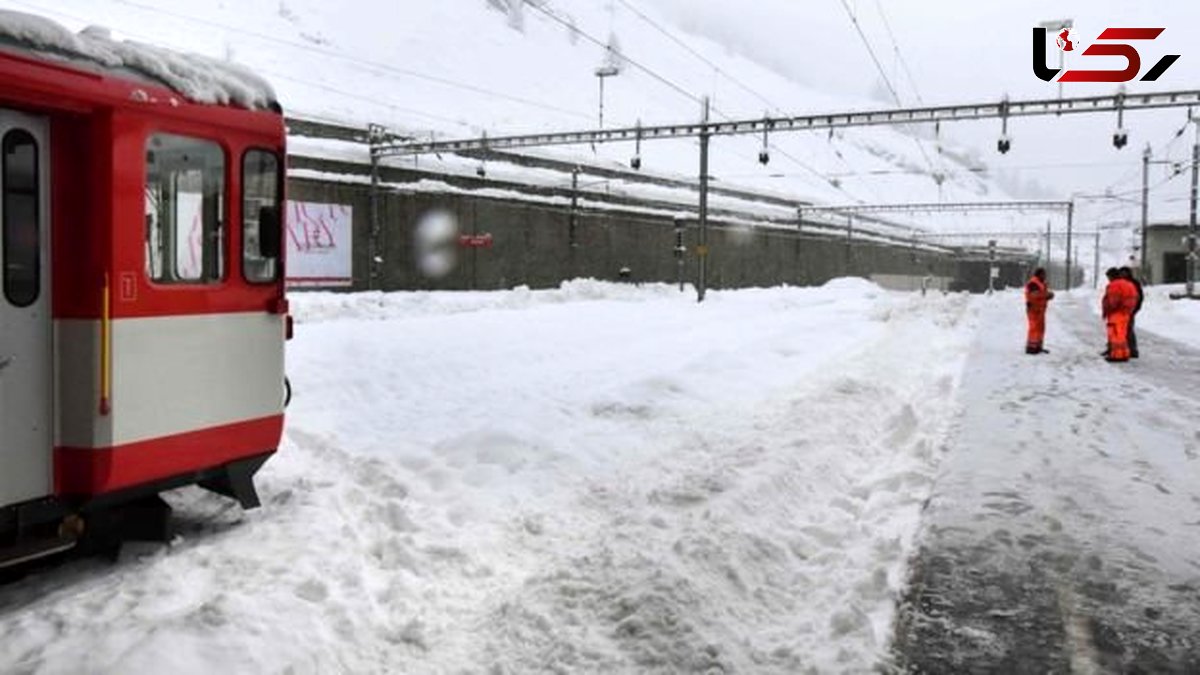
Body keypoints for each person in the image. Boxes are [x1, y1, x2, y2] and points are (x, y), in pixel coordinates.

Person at [1102, 267, 1138, 362]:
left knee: (1116, 335)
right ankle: (1124, 353)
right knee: (1122, 335)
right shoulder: (1129, 284)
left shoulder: (1114, 285)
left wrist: (1108, 309)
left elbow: (1113, 301)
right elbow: (1135, 297)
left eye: (1108, 277)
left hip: (1116, 313)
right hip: (1126, 313)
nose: (1108, 280)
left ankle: (1117, 355)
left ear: (1111, 276)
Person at [1024, 267, 1054, 354]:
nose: (1045, 276)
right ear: (1039, 274)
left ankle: (1038, 346)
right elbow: (1034, 295)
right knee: (1034, 328)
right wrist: (1047, 295)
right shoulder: (1033, 283)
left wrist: (1048, 296)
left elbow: (1041, 295)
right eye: (1043, 274)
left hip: (1040, 310)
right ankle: (1031, 348)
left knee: (1040, 328)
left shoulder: (1041, 283)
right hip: (1033, 309)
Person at [1119, 266, 1144, 358]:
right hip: (1119, 311)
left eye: (1124, 273)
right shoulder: (1119, 283)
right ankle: (1121, 349)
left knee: (1128, 329)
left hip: (1129, 310)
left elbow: (1139, 297)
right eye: (1121, 273)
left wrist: (1135, 309)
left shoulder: (1134, 283)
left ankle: (1132, 350)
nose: (1123, 275)